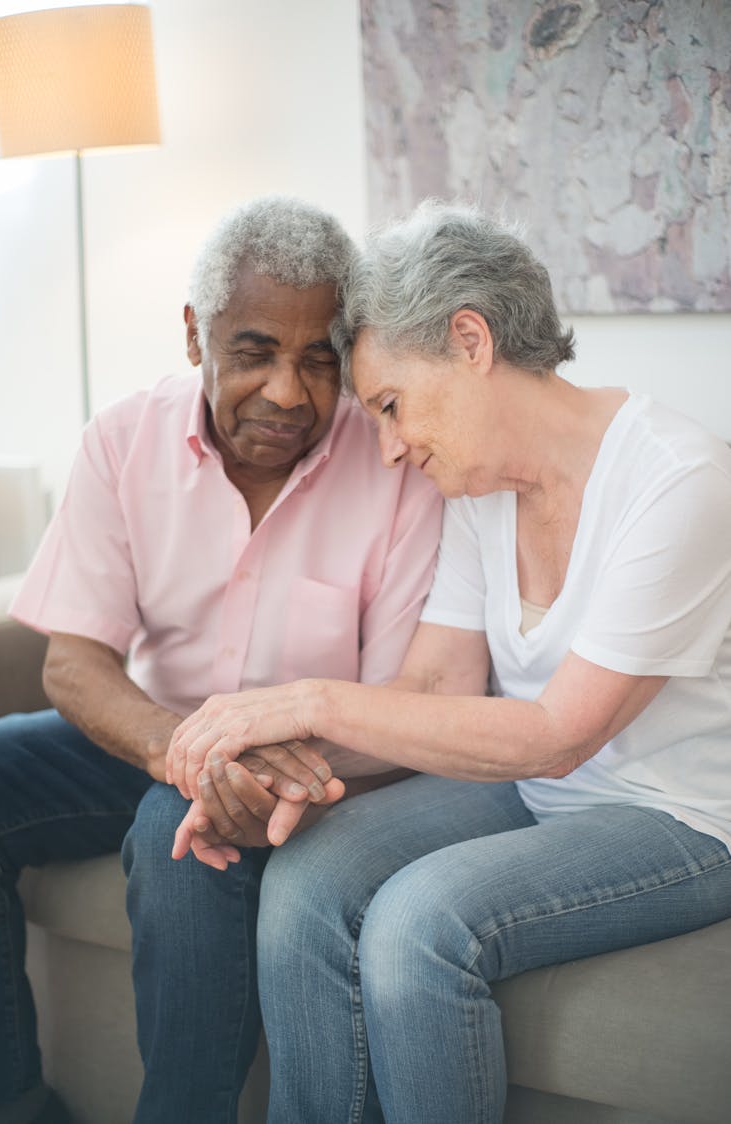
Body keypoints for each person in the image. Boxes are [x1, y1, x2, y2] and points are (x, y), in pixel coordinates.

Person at [167, 200, 731, 1124]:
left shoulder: (680, 479)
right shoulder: (481, 489)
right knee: (306, 878)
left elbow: (557, 737)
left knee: (418, 924)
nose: (389, 448)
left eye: (390, 406)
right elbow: (436, 691)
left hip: (681, 821)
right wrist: (268, 768)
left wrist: (304, 702)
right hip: (532, 789)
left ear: (470, 339)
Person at [0, 196, 442, 1124]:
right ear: (196, 335)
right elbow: (75, 664)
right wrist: (182, 752)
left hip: (322, 771)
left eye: (320, 358)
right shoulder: (121, 441)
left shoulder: (394, 461)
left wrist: (238, 771)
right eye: (255, 350)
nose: (289, 392)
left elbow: (402, 710)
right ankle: (14, 1102)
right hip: (159, 735)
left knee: (181, 837)